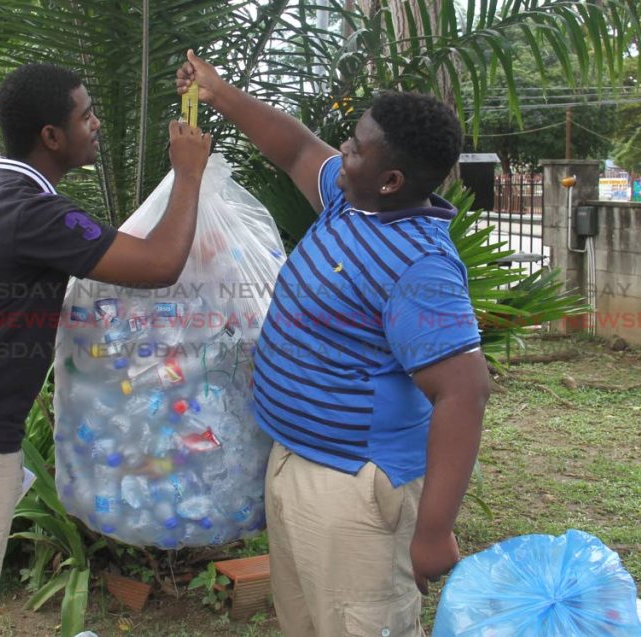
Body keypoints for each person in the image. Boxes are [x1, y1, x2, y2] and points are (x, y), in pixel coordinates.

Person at [0, 63, 211, 637]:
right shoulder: (33, 212)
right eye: (86, 116)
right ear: (51, 137)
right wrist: (187, 175)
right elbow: (159, 265)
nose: (97, 124)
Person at [177, 51, 491, 636]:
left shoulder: (420, 266)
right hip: (295, 460)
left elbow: (465, 393)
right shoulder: (354, 202)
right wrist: (219, 92)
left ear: (392, 179)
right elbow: (296, 147)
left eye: (353, 148)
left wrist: (431, 531)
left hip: (354, 487)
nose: (339, 153)